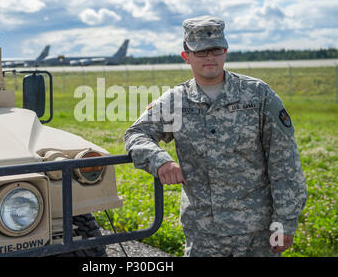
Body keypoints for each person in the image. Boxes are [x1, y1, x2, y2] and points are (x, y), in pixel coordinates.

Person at [124, 15, 308, 257]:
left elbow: (285, 162)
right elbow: (136, 134)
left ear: (225, 51)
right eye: (200, 51)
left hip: (256, 233)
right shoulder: (176, 101)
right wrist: (160, 161)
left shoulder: (258, 95)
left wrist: (285, 222)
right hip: (203, 234)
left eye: (216, 50)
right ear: (186, 56)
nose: (210, 57)